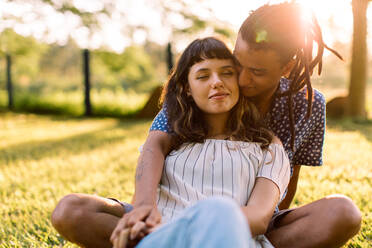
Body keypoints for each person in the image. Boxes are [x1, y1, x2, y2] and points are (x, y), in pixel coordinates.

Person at [129, 3, 362, 248]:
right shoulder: (211, 84)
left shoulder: (308, 106)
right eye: (238, 62)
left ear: (286, 68)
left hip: (255, 219)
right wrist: (144, 205)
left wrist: (253, 223)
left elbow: (288, 180)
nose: (241, 78)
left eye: (257, 72)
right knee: (85, 212)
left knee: (343, 213)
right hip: (177, 210)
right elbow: (156, 142)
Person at [51, 37, 291, 248]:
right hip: (163, 237)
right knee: (69, 207)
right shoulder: (173, 137)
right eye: (203, 76)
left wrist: (202, 223)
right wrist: (150, 214)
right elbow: (151, 150)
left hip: (228, 236)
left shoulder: (268, 146)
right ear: (187, 88)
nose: (216, 82)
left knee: (221, 210)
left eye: (227, 72)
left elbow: (259, 219)